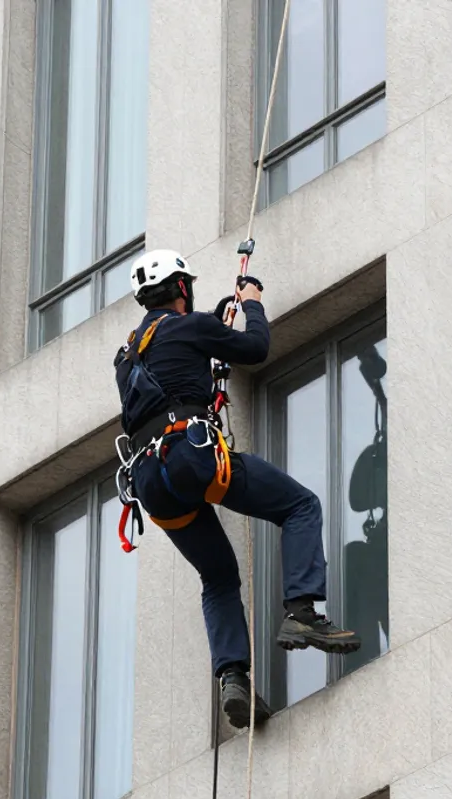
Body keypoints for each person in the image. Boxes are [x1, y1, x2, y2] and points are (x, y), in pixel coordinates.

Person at [113, 249, 361, 729]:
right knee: (299, 505)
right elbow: (254, 349)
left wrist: (213, 329)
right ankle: (303, 611)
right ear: (182, 288)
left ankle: (234, 679)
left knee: (219, 576)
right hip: (189, 453)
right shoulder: (191, 327)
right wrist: (251, 303)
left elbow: (177, 366)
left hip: (150, 480)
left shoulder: (126, 356)